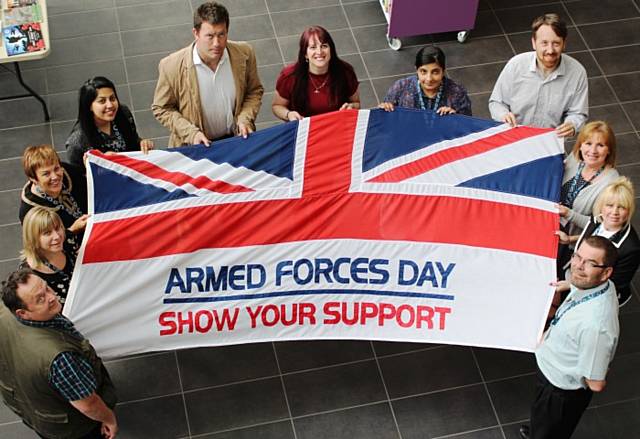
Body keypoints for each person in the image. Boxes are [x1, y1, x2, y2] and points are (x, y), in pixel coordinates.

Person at [520, 236, 619, 439]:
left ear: (606, 272)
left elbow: (596, 383)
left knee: (549, 432)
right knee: (541, 423)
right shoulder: (596, 285)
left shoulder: (595, 326)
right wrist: (568, 285)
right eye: (577, 257)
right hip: (550, 374)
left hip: (560, 391)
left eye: (590, 263)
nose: (578, 267)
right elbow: (581, 280)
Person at [0, 269, 117, 439]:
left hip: (30, 405)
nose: (51, 297)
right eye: (40, 299)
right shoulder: (60, 358)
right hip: (73, 429)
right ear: (22, 312)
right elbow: (88, 404)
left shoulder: (4, 311)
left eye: (47, 288)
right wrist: (109, 419)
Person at [152, 1, 264, 147]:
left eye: (221, 35)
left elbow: (254, 92)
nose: (217, 43)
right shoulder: (171, 66)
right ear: (196, 33)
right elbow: (161, 108)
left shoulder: (245, 53)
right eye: (210, 36)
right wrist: (191, 133)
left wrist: (245, 119)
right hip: (195, 147)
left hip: (236, 140)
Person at [489, 13, 587, 137]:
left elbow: (578, 113)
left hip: (549, 141)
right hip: (512, 136)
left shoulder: (577, 73)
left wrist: (572, 125)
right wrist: (503, 115)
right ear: (534, 43)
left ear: (564, 43)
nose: (550, 50)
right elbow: (497, 102)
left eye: (556, 43)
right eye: (544, 43)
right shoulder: (516, 65)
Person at [557, 177, 640, 306]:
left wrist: (572, 286)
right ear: (601, 207)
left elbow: (613, 284)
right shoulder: (598, 219)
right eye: (609, 205)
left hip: (597, 298)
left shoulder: (631, 248)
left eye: (622, 207)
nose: (614, 212)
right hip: (577, 280)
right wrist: (569, 240)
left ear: (629, 210)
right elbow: (593, 240)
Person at [272, 25, 360, 121]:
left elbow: (356, 103)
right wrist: (288, 114)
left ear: (331, 49)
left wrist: (351, 107)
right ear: (305, 54)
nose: (319, 51)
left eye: (324, 46)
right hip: (303, 130)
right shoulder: (289, 76)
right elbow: (277, 106)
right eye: (313, 47)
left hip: (337, 125)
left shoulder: (345, 72)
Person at [65, 76, 154, 168]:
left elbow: (133, 141)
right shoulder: (77, 140)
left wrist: (142, 143)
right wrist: (100, 162)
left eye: (112, 98)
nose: (110, 105)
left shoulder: (123, 113)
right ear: (89, 106)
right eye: (102, 101)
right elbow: (77, 175)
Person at [559, 121, 619, 237]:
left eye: (600, 145)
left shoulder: (612, 182)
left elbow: (604, 225)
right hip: (552, 222)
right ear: (580, 146)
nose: (593, 151)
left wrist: (569, 215)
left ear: (609, 150)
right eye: (588, 143)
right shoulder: (575, 158)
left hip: (573, 241)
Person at [379, 45, 472, 116]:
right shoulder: (401, 88)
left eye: (435, 72)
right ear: (416, 70)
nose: (429, 79)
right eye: (423, 72)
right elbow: (386, 118)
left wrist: (456, 118)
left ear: (443, 71)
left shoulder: (457, 93)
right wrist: (385, 109)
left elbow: (468, 127)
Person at [19, 144, 89, 236]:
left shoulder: (67, 171)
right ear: (33, 179)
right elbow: (40, 244)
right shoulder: (29, 211)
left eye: (56, 169)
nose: (55, 177)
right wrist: (72, 231)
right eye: (46, 174)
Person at [20, 207, 79, 305]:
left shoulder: (68, 242)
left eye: (58, 228)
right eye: (47, 233)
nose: (57, 236)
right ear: (33, 238)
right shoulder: (29, 275)